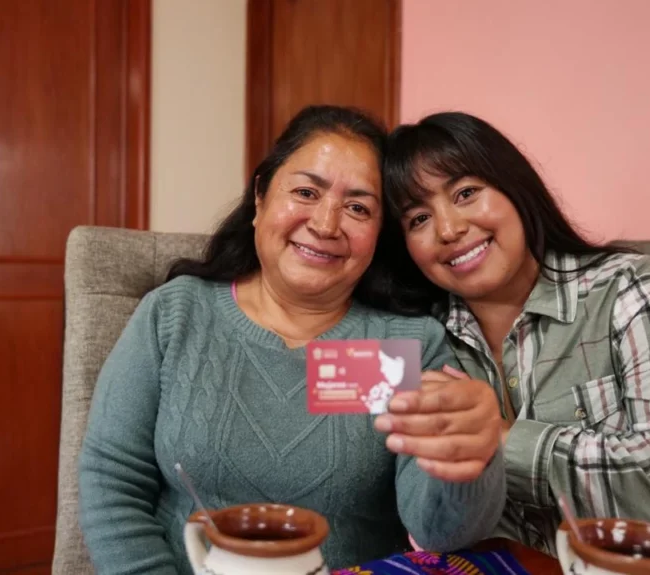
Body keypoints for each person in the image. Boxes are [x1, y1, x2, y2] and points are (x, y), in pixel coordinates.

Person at [78, 105, 506, 575]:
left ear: (378, 234)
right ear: (260, 196)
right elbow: (112, 481)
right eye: (306, 192)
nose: (325, 224)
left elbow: (442, 534)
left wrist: (471, 460)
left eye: (358, 208)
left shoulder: (403, 346)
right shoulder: (176, 314)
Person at [379, 112, 650, 574]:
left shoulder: (626, 288)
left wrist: (500, 441)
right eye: (419, 218)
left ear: (514, 187)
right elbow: (434, 531)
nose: (448, 229)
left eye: (466, 193)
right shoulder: (422, 339)